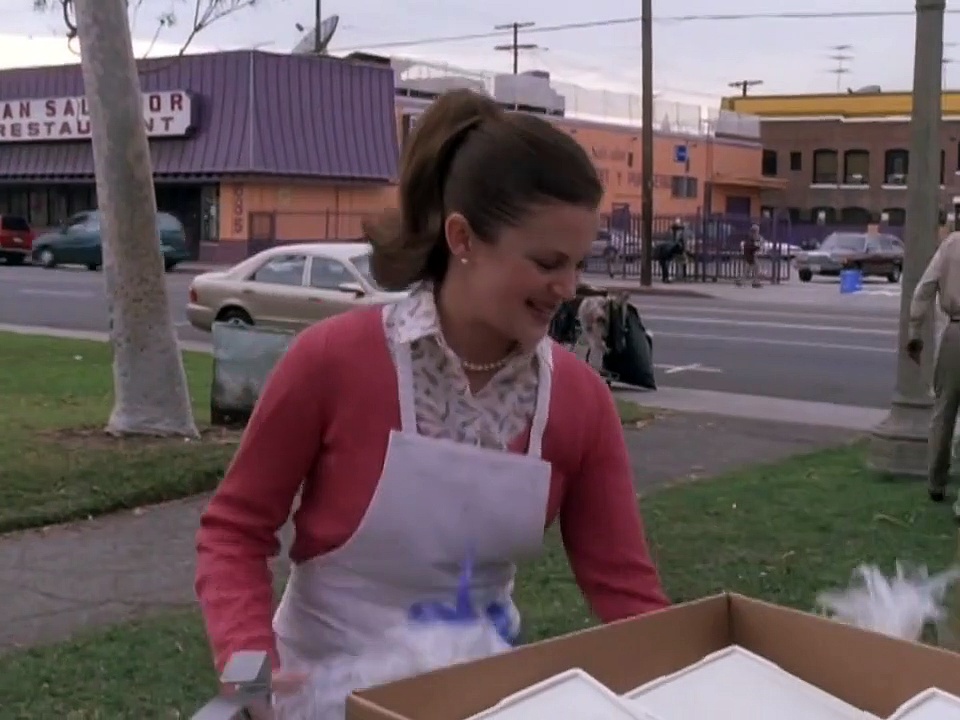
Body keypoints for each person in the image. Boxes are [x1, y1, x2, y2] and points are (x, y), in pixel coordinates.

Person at [195, 88, 670, 717]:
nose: (568, 288)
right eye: (547, 262)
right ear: (462, 237)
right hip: (320, 700)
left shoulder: (580, 403)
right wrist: (249, 673)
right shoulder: (331, 361)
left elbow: (628, 593)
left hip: (483, 702)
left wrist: (687, 685)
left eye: (579, 264)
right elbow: (234, 532)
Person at [906, 231, 960, 504]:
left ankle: (936, 481)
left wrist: (915, 332)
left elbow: (924, 289)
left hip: (955, 333)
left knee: (944, 412)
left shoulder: (951, 245)